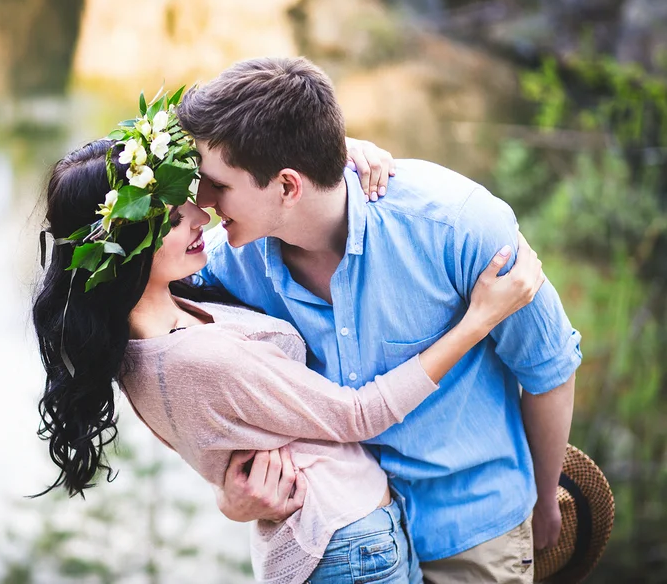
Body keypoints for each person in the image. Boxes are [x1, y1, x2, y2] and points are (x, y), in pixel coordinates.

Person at [32, 125, 544, 583]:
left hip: (349, 538)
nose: (199, 214)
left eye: (186, 198)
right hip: (348, 547)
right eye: (168, 216)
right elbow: (357, 414)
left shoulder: (147, 328)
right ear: (124, 247)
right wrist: (479, 320)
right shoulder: (194, 355)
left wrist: (326, 163)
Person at [175, 57, 583, 584]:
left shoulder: (456, 226)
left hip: (474, 533)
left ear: (287, 186)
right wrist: (229, 494)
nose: (202, 203)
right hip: (344, 538)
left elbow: (547, 370)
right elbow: (188, 375)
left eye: (217, 185)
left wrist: (546, 496)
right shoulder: (226, 261)